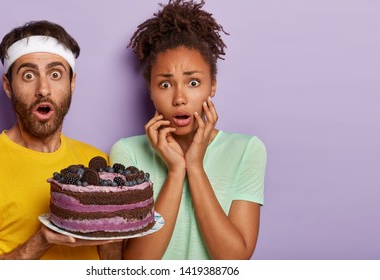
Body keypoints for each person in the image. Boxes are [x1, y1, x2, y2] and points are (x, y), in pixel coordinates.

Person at [0, 20, 121, 260]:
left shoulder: (95, 161)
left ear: (72, 83)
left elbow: (111, 262)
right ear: (8, 86)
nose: (44, 89)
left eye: (55, 74)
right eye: (28, 75)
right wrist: (40, 241)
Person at [110, 0, 267, 260]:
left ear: (212, 86)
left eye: (193, 82)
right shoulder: (127, 153)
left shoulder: (247, 149)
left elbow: (235, 260)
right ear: (150, 89)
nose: (179, 98)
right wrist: (175, 171)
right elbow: (136, 266)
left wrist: (195, 167)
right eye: (165, 85)